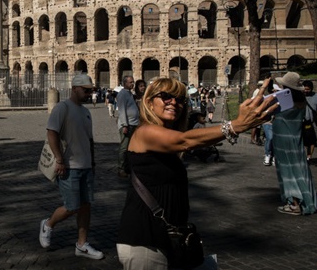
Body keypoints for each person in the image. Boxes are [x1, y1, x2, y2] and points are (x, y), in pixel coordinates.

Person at [116, 77, 276, 269]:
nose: (174, 102)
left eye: (180, 99)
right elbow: (185, 140)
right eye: (166, 96)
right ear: (149, 101)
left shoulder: (163, 134)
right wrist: (235, 126)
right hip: (144, 238)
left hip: (169, 236)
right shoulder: (145, 132)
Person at [38, 74, 103, 260]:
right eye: (86, 90)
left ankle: (82, 245)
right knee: (72, 206)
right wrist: (59, 159)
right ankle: (48, 224)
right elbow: (52, 133)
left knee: (85, 206)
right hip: (68, 166)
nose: (90, 94)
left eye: (91, 90)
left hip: (86, 165)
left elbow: (89, 140)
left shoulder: (86, 112)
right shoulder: (62, 108)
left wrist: (93, 162)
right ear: (75, 88)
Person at [271, 72, 317, 215]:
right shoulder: (302, 101)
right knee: (299, 169)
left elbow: (266, 111)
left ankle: (294, 204)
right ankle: (306, 199)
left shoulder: (285, 101)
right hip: (296, 140)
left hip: (283, 142)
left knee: (287, 172)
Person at [117, 75, 140, 178]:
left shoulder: (129, 93)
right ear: (125, 83)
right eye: (131, 82)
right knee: (124, 148)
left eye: (133, 82)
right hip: (127, 125)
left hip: (133, 124)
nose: (132, 84)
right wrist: (124, 125)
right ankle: (121, 169)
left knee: (131, 147)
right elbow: (121, 110)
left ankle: (128, 167)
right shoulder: (122, 94)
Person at [302, 80, 317, 161]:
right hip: (301, 121)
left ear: (311, 89)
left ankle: (309, 156)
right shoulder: (299, 96)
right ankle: (304, 155)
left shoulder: (315, 97)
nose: (305, 91)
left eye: (308, 89)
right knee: (303, 139)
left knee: (312, 140)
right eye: (304, 89)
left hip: (312, 122)